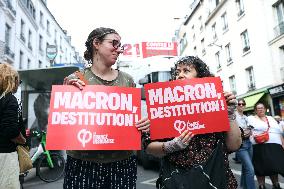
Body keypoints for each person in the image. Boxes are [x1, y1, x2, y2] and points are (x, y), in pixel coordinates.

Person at [62, 27, 150, 189]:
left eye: (120, 45)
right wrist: (67, 92)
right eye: (114, 43)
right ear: (96, 43)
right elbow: (65, 123)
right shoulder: (76, 79)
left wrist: (144, 124)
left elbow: (136, 120)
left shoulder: (128, 80)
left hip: (122, 164)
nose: (119, 49)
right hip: (82, 164)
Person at [143, 56, 242, 189]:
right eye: (177, 72)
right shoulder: (165, 108)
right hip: (178, 182)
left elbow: (234, 145)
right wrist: (171, 146)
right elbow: (149, 148)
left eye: (186, 71)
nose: (180, 75)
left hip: (215, 181)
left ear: (200, 77)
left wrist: (229, 115)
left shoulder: (215, 104)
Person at [0, 63, 26, 189]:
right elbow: (10, 130)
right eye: (18, 81)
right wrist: (23, 140)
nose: (18, 84)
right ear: (11, 80)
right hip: (6, 155)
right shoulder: (10, 99)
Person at [248, 102, 284, 189]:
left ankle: (276, 184)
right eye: (258, 108)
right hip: (259, 146)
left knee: (273, 166)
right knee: (261, 167)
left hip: (275, 145)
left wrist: (282, 142)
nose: (260, 109)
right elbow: (249, 130)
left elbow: (278, 131)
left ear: (265, 109)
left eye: (262, 108)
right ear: (255, 110)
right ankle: (261, 186)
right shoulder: (251, 118)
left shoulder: (271, 118)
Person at [235, 98, 256, 189]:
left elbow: (249, 130)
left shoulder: (246, 117)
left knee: (245, 168)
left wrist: (249, 131)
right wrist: (243, 132)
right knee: (250, 170)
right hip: (240, 145)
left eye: (243, 104)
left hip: (249, 143)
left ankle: (243, 186)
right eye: (239, 104)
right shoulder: (234, 117)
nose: (241, 106)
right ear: (236, 105)